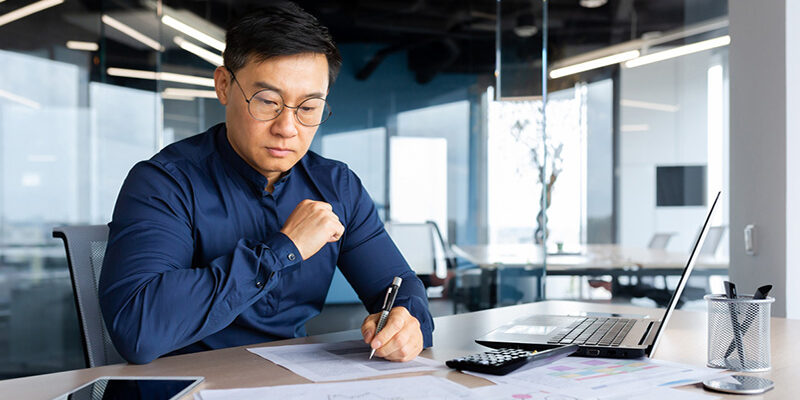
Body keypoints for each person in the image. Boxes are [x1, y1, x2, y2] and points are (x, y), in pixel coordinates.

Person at [99, 2, 433, 365]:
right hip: (186, 384)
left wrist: (407, 322)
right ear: (224, 86)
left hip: (294, 380)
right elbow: (137, 330)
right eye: (268, 101)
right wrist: (283, 249)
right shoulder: (164, 183)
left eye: (308, 108)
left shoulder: (338, 187)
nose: (287, 128)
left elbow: (399, 285)